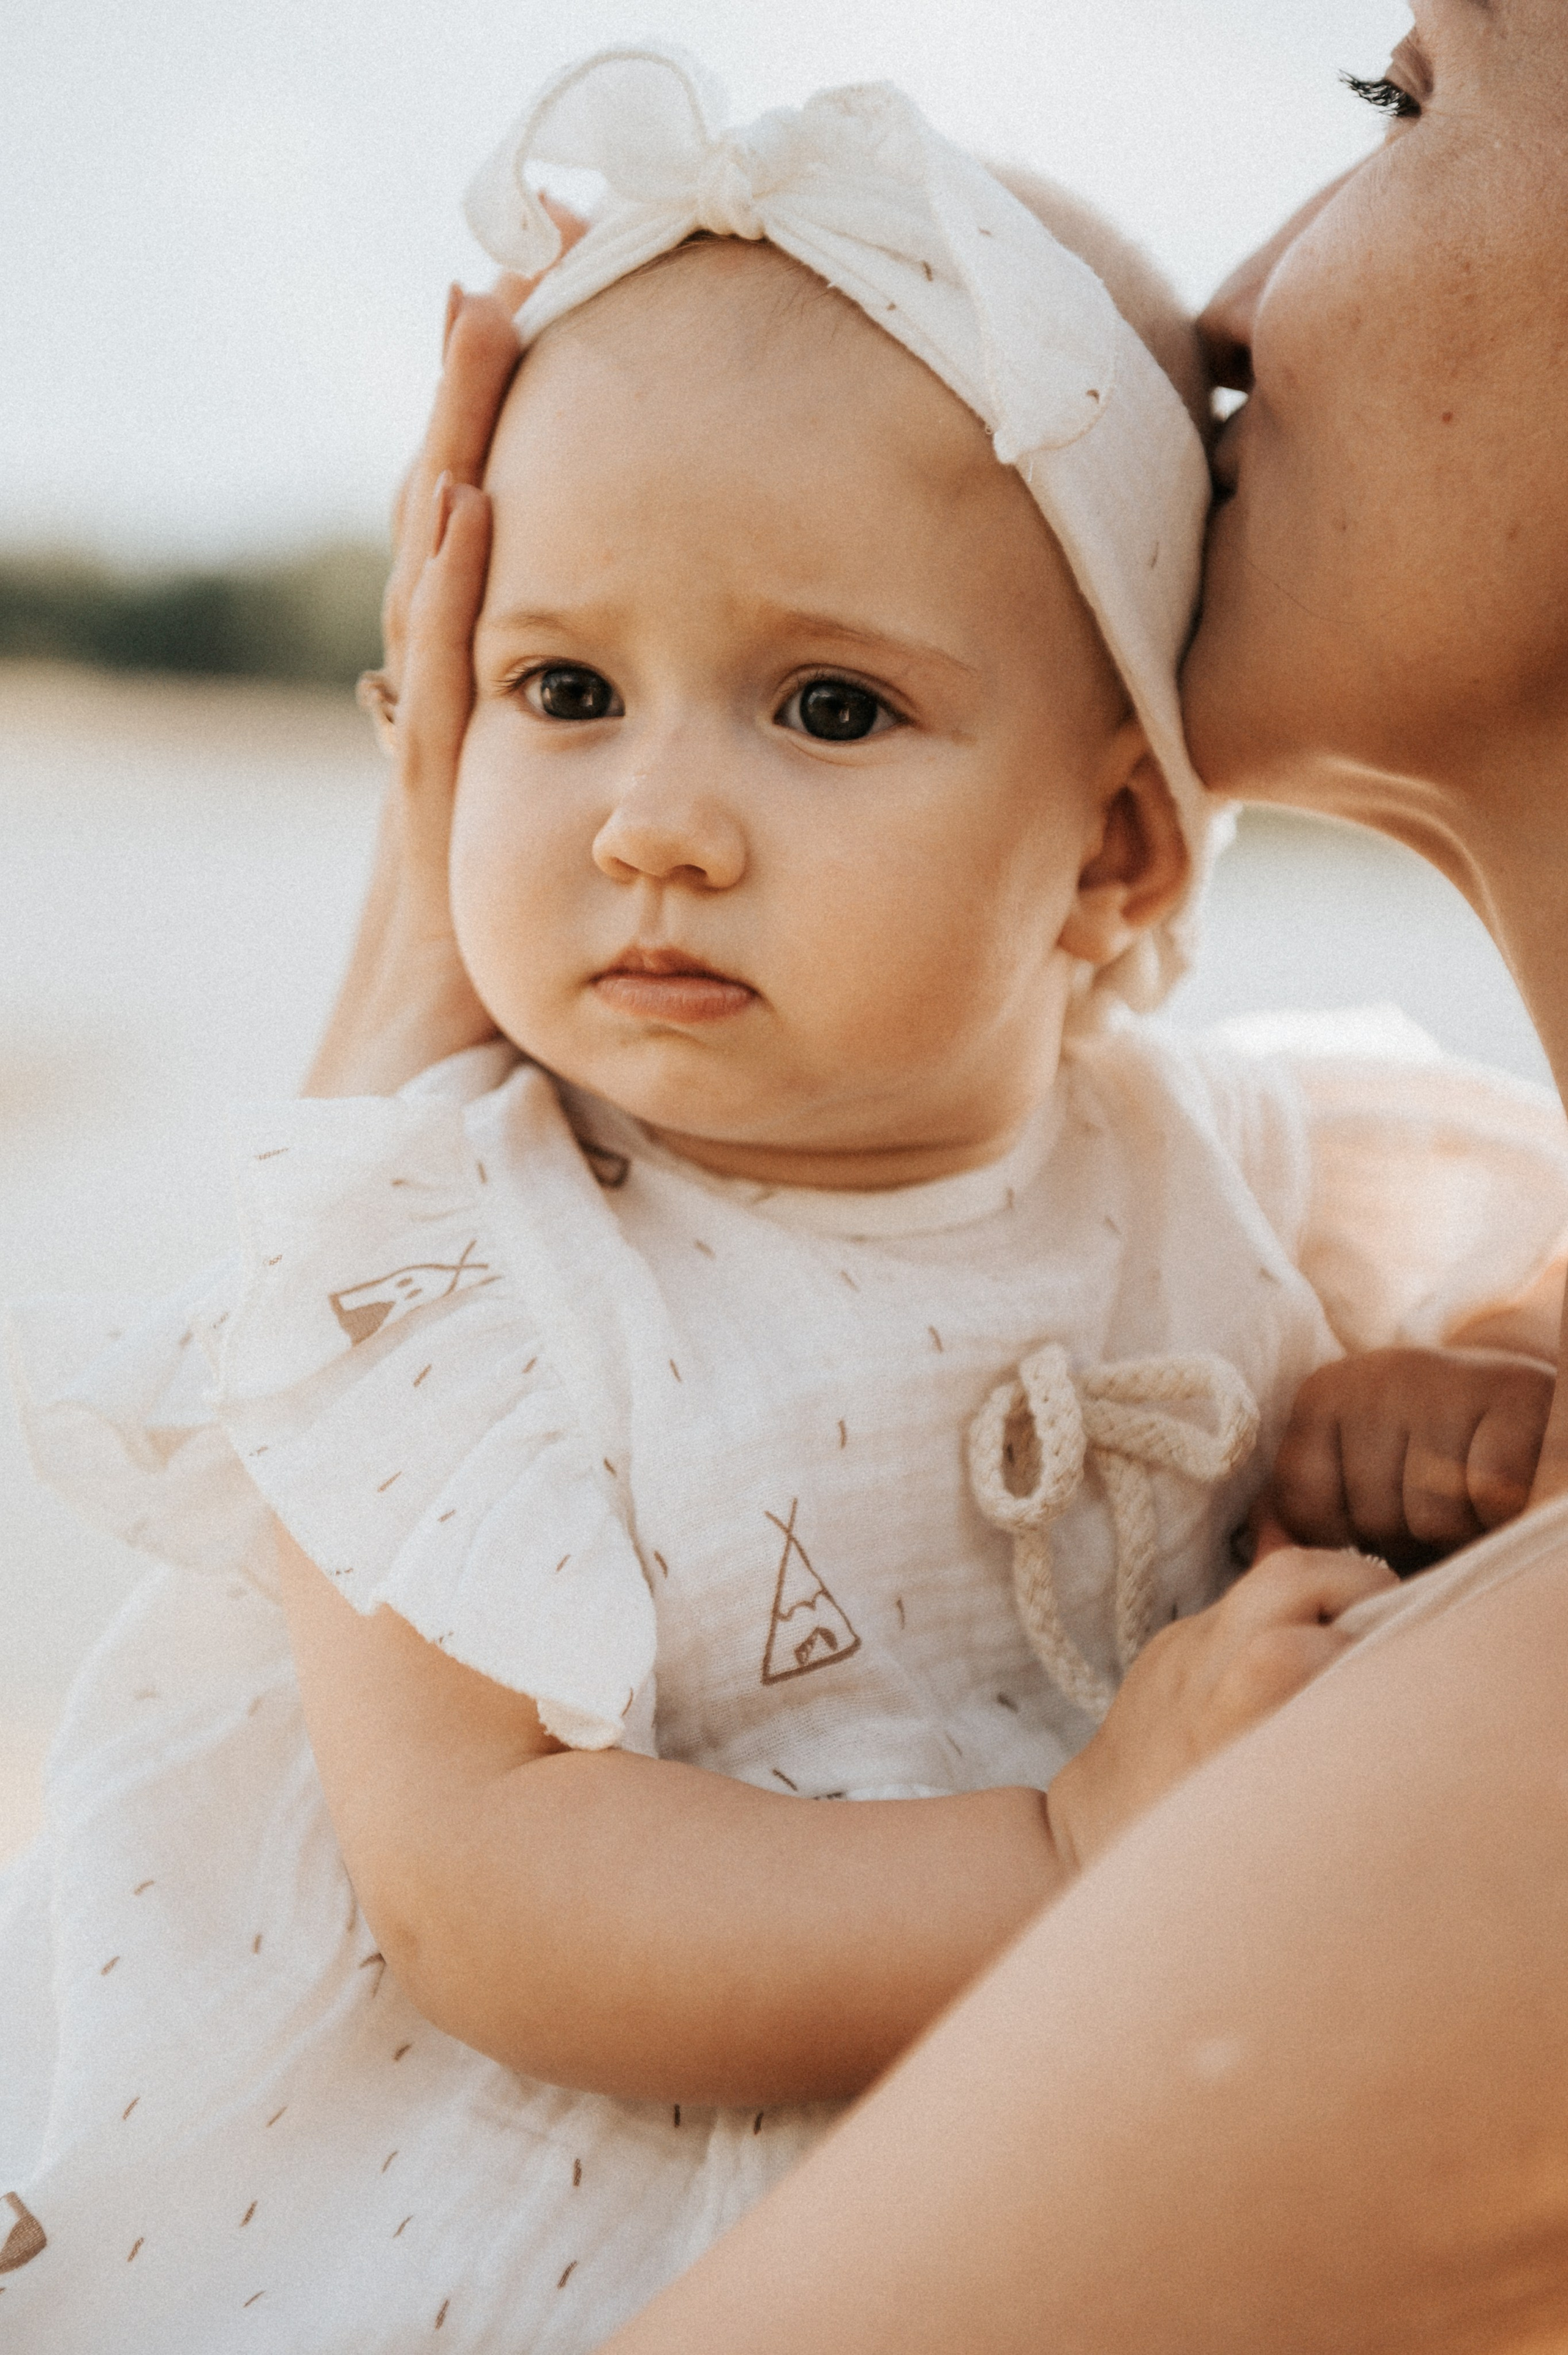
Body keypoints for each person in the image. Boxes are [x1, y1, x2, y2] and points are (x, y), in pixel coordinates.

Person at [1, 33, 1564, 2355]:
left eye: (826, 710)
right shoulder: (448, 1255)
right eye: (558, 688)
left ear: (1117, 843)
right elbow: (485, 1883)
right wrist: (1052, 1856)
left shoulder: (1218, 1155)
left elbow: (1494, 1292)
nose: (653, 820)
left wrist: (1430, 1395)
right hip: (550, 2211)